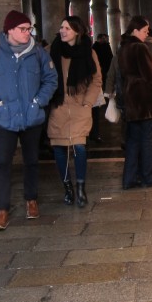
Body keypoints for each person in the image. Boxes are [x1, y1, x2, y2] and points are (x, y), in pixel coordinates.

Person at [0, 10, 58, 230]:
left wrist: (39, 101)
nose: (27, 32)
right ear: (9, 30)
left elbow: (51, 79)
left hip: (31, 116)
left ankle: (31, 200)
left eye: (29, 28)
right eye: (22, 29)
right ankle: (2, 209)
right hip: (4, 118)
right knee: (3, 163)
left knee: (31, 160)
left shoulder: (39, 54)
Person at [46, 16, 103, 208]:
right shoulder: (52, 51)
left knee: (79, 148)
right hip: (59, 106)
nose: (62, 31)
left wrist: (87, 103)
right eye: (61, 27)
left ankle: (80, 188)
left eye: (67, 28)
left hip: (79, 107)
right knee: (59, 148)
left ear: (77, 32)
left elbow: (96, 81)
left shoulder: (89, 52)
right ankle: (67, 187)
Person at [117, 15, 152, 189]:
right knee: (147, 140)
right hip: (145, 101)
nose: (147, 34)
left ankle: (130, 178)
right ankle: (148, 177)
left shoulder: (123, 47)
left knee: (132, 141)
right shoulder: (140, 48)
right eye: (145, 31)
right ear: (135, 30)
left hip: (131, 99)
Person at [90, 33, 114, 142]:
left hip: (101, 75)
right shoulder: (93, 49)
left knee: (94, 112)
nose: (105, 39)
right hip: (94, 82)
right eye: (104, 38)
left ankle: (94, 133)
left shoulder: (98, 49)